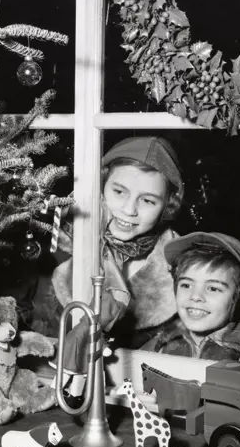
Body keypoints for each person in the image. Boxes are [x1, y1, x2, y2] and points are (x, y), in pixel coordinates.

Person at [45, 136, 184, 398]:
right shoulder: (63, 252)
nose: (129, 210)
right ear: (100, 189)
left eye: (148, 200)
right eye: (119, 192)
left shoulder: (180, 271)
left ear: (167, 206)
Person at [141, 232, 240, 360]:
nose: (195, 296)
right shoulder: (158, 344)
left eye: (213, 288)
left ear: (238, 296)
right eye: (186, 285)